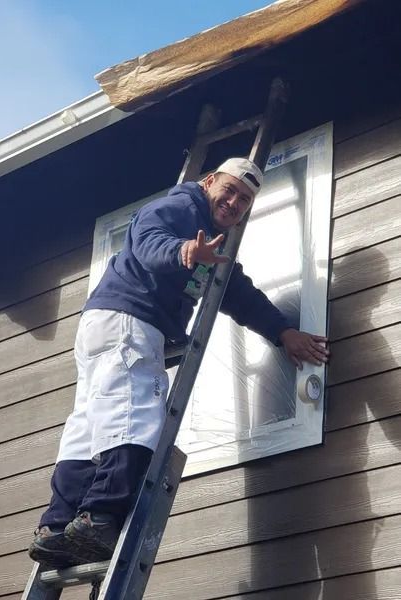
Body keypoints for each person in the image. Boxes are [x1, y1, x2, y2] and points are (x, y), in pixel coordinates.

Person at [28, 157, 329, 568]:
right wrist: (185, 250)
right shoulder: (183, 208)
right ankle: (98, 517)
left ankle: (57, 527)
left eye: (244, 200)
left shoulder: (214, 245)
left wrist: (282, 332)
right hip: (131, 322)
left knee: (89, 425)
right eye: (230, 190)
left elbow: (236, 293)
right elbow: (147, 236)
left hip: (106, 325)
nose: (234, 203)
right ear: (208, 183)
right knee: (137, 412)